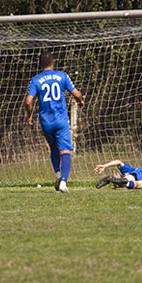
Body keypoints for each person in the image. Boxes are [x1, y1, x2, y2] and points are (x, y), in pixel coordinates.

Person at [25, 52, 85, 192]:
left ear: (40, 64)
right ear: (54, 61)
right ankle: (63, 182)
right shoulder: (62, 76)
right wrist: (80, 100)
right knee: (65, 151)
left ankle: (58, 175)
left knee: (53, 148)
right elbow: (76, 93)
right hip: (61, 120)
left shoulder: (35, 80)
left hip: (46, 122)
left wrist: (29, 116)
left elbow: (28, 101)